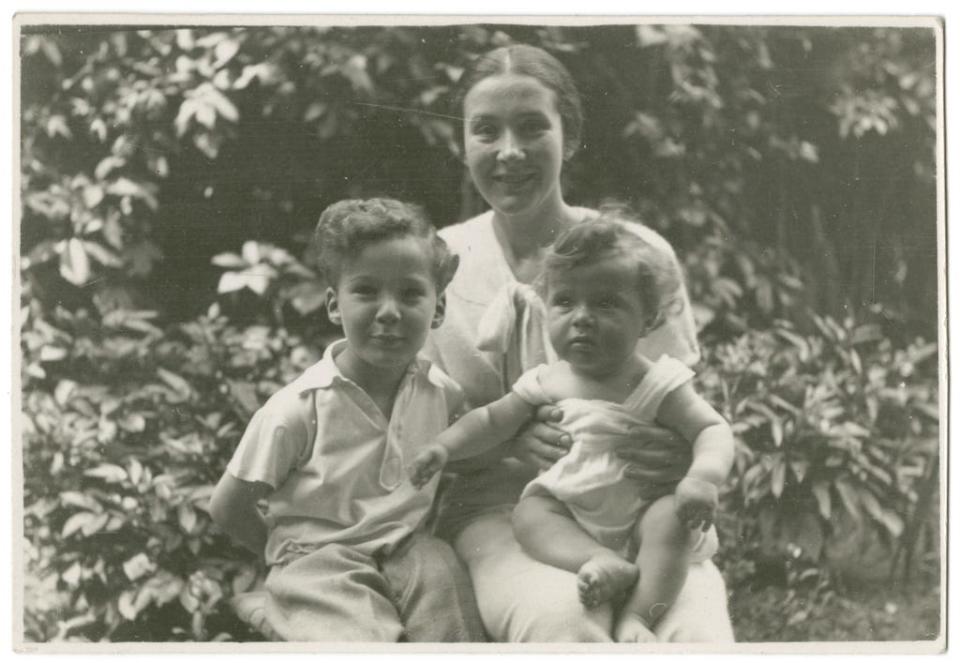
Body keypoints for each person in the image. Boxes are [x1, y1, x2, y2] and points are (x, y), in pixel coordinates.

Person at [422, 43, 736, 642]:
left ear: (571, 135)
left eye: (533, 127)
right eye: (485, 130)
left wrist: (684, 462)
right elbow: (417, 434)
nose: (509, 152)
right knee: (563, 621)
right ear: (461, 143)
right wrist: (509, 442)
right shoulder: (436, 264)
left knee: (690, 631)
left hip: (642, 509)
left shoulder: (636, 256)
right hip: (503, 515)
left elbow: (688, 414)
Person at [410, 215, 734, 642]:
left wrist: (701, 477)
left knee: (669, 523)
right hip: (569, 510)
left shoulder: (658, 382)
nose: (582, 318)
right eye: (565, 303)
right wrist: (444, 448)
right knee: (531, 514)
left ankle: (637, 615)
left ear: (649, 320)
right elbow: (490, 420)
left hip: (641, 512)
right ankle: (599, 560)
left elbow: (712, 428)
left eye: (606, 304)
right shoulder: (547, 380)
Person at [208, 198, 484, 642]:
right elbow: (227, 506)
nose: (389, 311)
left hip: (408, 547)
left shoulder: (441, 394)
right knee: (363, 642)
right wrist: (287, 559)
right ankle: (284, 605)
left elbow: (475, 446)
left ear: (438, 309)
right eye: (367, 291)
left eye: (411, 293)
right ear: (335, 306)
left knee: (453, 621)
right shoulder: (301, 406)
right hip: (321, 555)